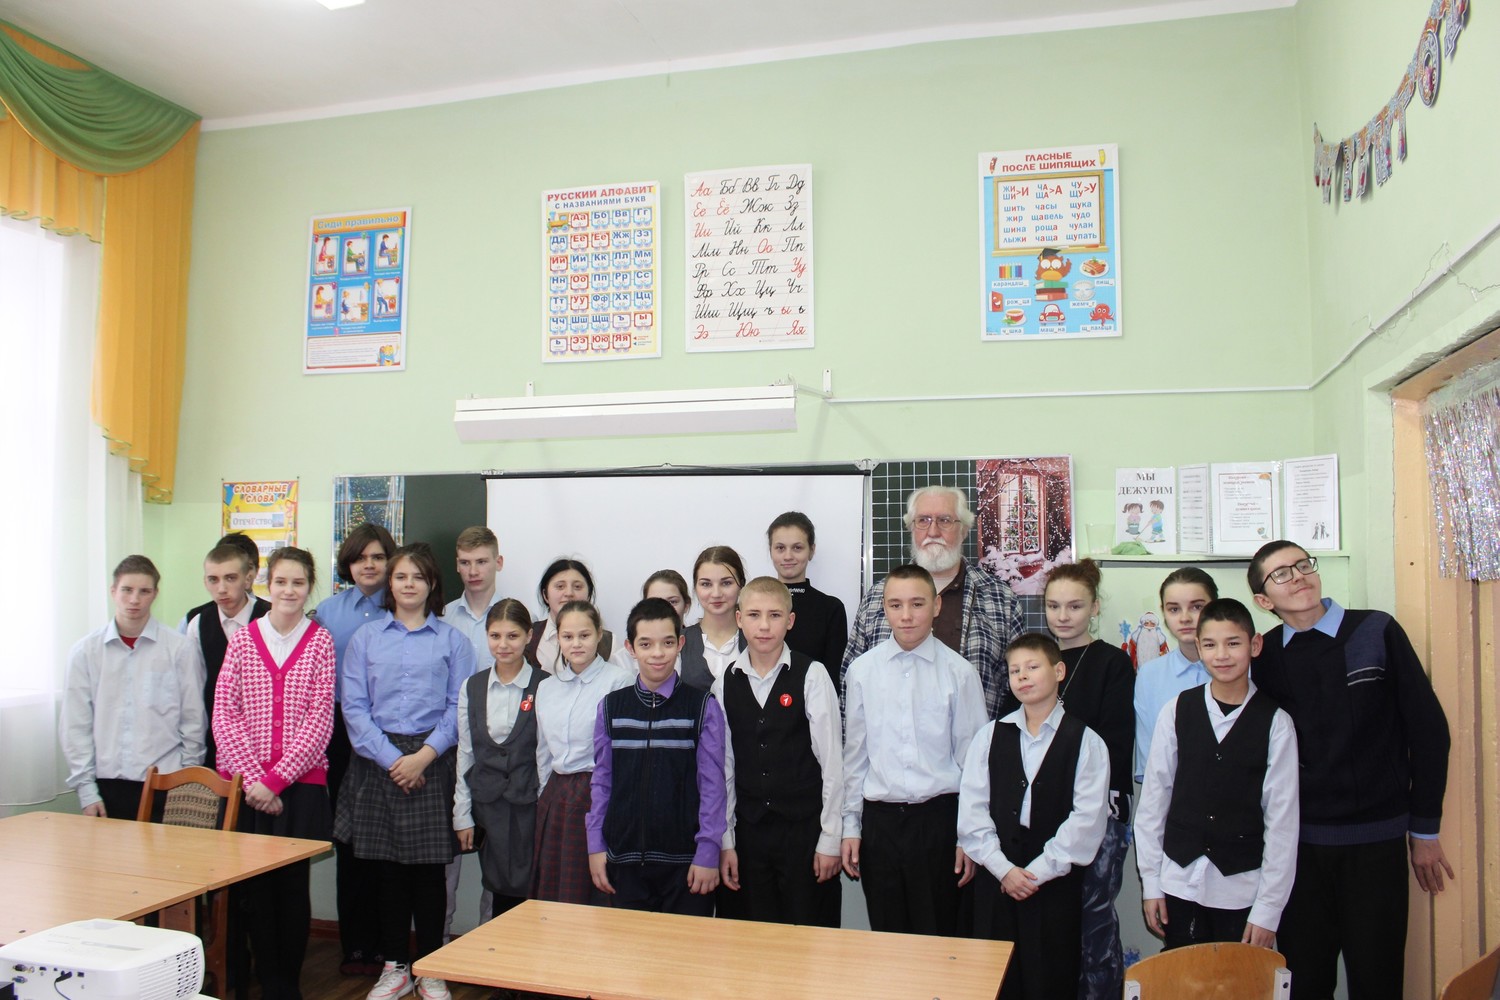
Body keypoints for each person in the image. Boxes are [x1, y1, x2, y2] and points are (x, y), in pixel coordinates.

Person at [1249, 541, 1452, 1000]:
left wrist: (1424, 831)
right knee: (1304, 982)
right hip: (1297, 851)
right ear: (1264, 600)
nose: (1298, 576)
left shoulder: (1375, 629)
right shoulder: (1265, 656)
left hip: (1375, 843)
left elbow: (1428, 731)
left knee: (1378, 981)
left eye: (1303, 564)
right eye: (1281, 574)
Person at [333, 543, 475, 1000]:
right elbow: (354, 708)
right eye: (400, 576)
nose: (409, 584)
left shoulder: (453, 641)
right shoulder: (366, 639)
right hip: (379, 761)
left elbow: (459, 707)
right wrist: (394, 759)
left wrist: (423, 756)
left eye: (418, 576)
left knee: (430, 875)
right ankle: (395, 967)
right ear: (389, 585)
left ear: (432, 583)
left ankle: (430, 968)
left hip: (433, 760)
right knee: (387, 872)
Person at [1135, 598, 1298, 951]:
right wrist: (1151, 883)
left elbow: (1282, 822)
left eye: (1233, 643)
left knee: (1236, 978)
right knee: (1182, 975)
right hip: (1178, 883)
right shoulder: (1176, 710)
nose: (1221, 655)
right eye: (1209, 644)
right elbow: (1153, 802)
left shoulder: (1276, 723)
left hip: (1242, 891)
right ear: (1198, 647)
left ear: (1255, 645)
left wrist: (1268, 910)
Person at [212, 547, 336, 1000]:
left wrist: (276, 781)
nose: (289, 590)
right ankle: (266, 980)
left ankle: (287, 985)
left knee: (292, 889)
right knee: (257, 892)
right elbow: (224, 715)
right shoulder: (244, 640)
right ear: (267, 585)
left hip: (299, 789)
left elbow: (320, 722)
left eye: (298, 583)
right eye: (281, 581)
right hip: (249, 791)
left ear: (309, 587)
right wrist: (254, 782)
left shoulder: (320, 642)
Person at [958, 633, 1109, 1000]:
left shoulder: (1087, 741)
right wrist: (1004, 870)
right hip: (997, 879)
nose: (1022, 676)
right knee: (996, 981)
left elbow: (1086, 821)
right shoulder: (990, 736)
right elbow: (972, 811)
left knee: (1051, 979)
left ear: (1058, 671)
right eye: (1014, 671)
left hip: (1053, 883)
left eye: (1032, 667)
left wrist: (1035, 874)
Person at [840, 564, 988, 936]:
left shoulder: (959, 673)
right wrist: (850, 827)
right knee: (888, 937)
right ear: (884, 609)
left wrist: (969, 837)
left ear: (936, 606)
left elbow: (974, 764)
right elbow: (855, 757)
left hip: (938, 823)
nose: (906, 615)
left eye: (917, 604)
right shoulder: (862, 672)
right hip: (880, 825)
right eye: (896, 605)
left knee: (939, 936)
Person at [714, 577, 842, 927]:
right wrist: (726, 841)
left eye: (775, 615)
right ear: (739, 619)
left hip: (805, 833)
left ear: (790, 620)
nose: (764, 625)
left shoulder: (812, 675)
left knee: (809, 933)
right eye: (754, 615)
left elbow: (832, 764)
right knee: (753, 936)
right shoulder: (724, 682)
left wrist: (831, 838)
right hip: (749, 836)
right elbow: (724, 768)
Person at [587, 597, 728, 915]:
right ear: (630, 648)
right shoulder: (611, 707)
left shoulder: (702, 706)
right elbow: (602, 782)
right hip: (624, 861)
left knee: (685, 946)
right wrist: (595, 844)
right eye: (645, 644)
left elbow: (713, 786)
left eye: (667, 643)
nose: (657, 653)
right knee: (628, 945)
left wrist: (708, 851)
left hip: (687, 866)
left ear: (680, 644)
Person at [843, 486, 1023, 720]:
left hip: (974, 740)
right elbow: (850, 682)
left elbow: (1019, 688)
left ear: (964, 530)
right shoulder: (877, 597)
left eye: (945, 520)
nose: (933, 531)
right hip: (888, 741)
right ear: (911, 528)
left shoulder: (1001, 599)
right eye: (923, 520)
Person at [1042, 559, 1135, 1000]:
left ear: (1095, 608)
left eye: (1075, 606)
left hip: (1099, 812)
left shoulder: (1112, 662)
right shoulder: (1036, 659)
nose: (1063, 616)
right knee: (1053, 925)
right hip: (1045, 811)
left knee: (1094, 920)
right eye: (1053, 606)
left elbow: (1115, 742)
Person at [312, 521, 396, 978]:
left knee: (385, 840)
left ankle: (387, 946)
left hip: (389, 733)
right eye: (361, 557)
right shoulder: (328, 612)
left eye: (379, 556)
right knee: (347, 840)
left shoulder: (403, 605)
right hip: (339, 735)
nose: (370, 565)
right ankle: (355, 945)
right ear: (348, 563)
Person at [62, 555, 206, 820]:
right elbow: (75, 726)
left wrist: (187, 779)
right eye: (127, 590)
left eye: (144, 591)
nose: (134, 600)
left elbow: (193, 719)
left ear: (155, 594)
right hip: (105, 784)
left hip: (166, 781)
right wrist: (86, 790)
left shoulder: (180, 649)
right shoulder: (85, 652)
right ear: (113, 591)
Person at [532, 600, 631, 904]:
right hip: (556, 794)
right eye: (567, 636)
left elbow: (622, 752)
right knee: (555, 890)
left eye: (584, 635)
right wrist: (544, 794)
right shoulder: (547, 688)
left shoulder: (619, 682)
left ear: (599, 634)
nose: (576, 644)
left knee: (595, 891)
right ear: (558, 639)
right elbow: (543, 751)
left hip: (599, 793)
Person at [453, 599, 541, 922]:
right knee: (496, 891)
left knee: (529, 893)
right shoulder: (472, 686)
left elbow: (546, 756)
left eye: (512, 636)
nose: (503, 645)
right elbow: (466, 753)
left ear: (529, 636)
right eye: (495, 636)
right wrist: (462, 815)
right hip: (487, 808)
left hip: (529, 806)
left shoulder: (545, 685)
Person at [440, 525, 506, 937]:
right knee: (446, 858)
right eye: (465, 563)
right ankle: (440, 942)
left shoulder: (515, 615)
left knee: (498, 865)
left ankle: (488, 945)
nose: (473, 571)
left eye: (481, 561)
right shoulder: (443, 617)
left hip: (503, 753)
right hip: (452, 748)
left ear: (498, 562)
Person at [185, 539, 271, 770]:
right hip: (215, 741)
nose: (222, 588)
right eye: (213, 579)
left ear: (248, 579)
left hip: (264, 742)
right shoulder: (198, 624)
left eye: (230, 578)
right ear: (205, 581)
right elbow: (194, 690)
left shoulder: (270, 619)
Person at [1133, 568, 1217, 783]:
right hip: (1172, 795)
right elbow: (1151, 759)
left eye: (1197, 607)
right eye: (1174, 609)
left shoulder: (1242, 668)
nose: (1185, 618)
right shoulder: (1149, 675)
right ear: (1163, 612)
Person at [766, 512, 848, 694]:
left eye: (797, 548)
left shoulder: (830, 609)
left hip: (812, 706)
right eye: (780, 548)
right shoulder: (752, 606)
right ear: (770, 551)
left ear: (811, 551)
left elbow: (832, 679)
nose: (788, 556)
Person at [524, 559, 616, 673]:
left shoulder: (609, 642)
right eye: (560, 586)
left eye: (577, 587)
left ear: (588, 595)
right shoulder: (527, 635)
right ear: (545, 595)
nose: (569, 593)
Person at [680, 545, 747, 691]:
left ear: (741, 585)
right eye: (706, 584)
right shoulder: (679, 642)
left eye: (726, 583)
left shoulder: (757, 639)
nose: (716, 593)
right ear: (695, 588)